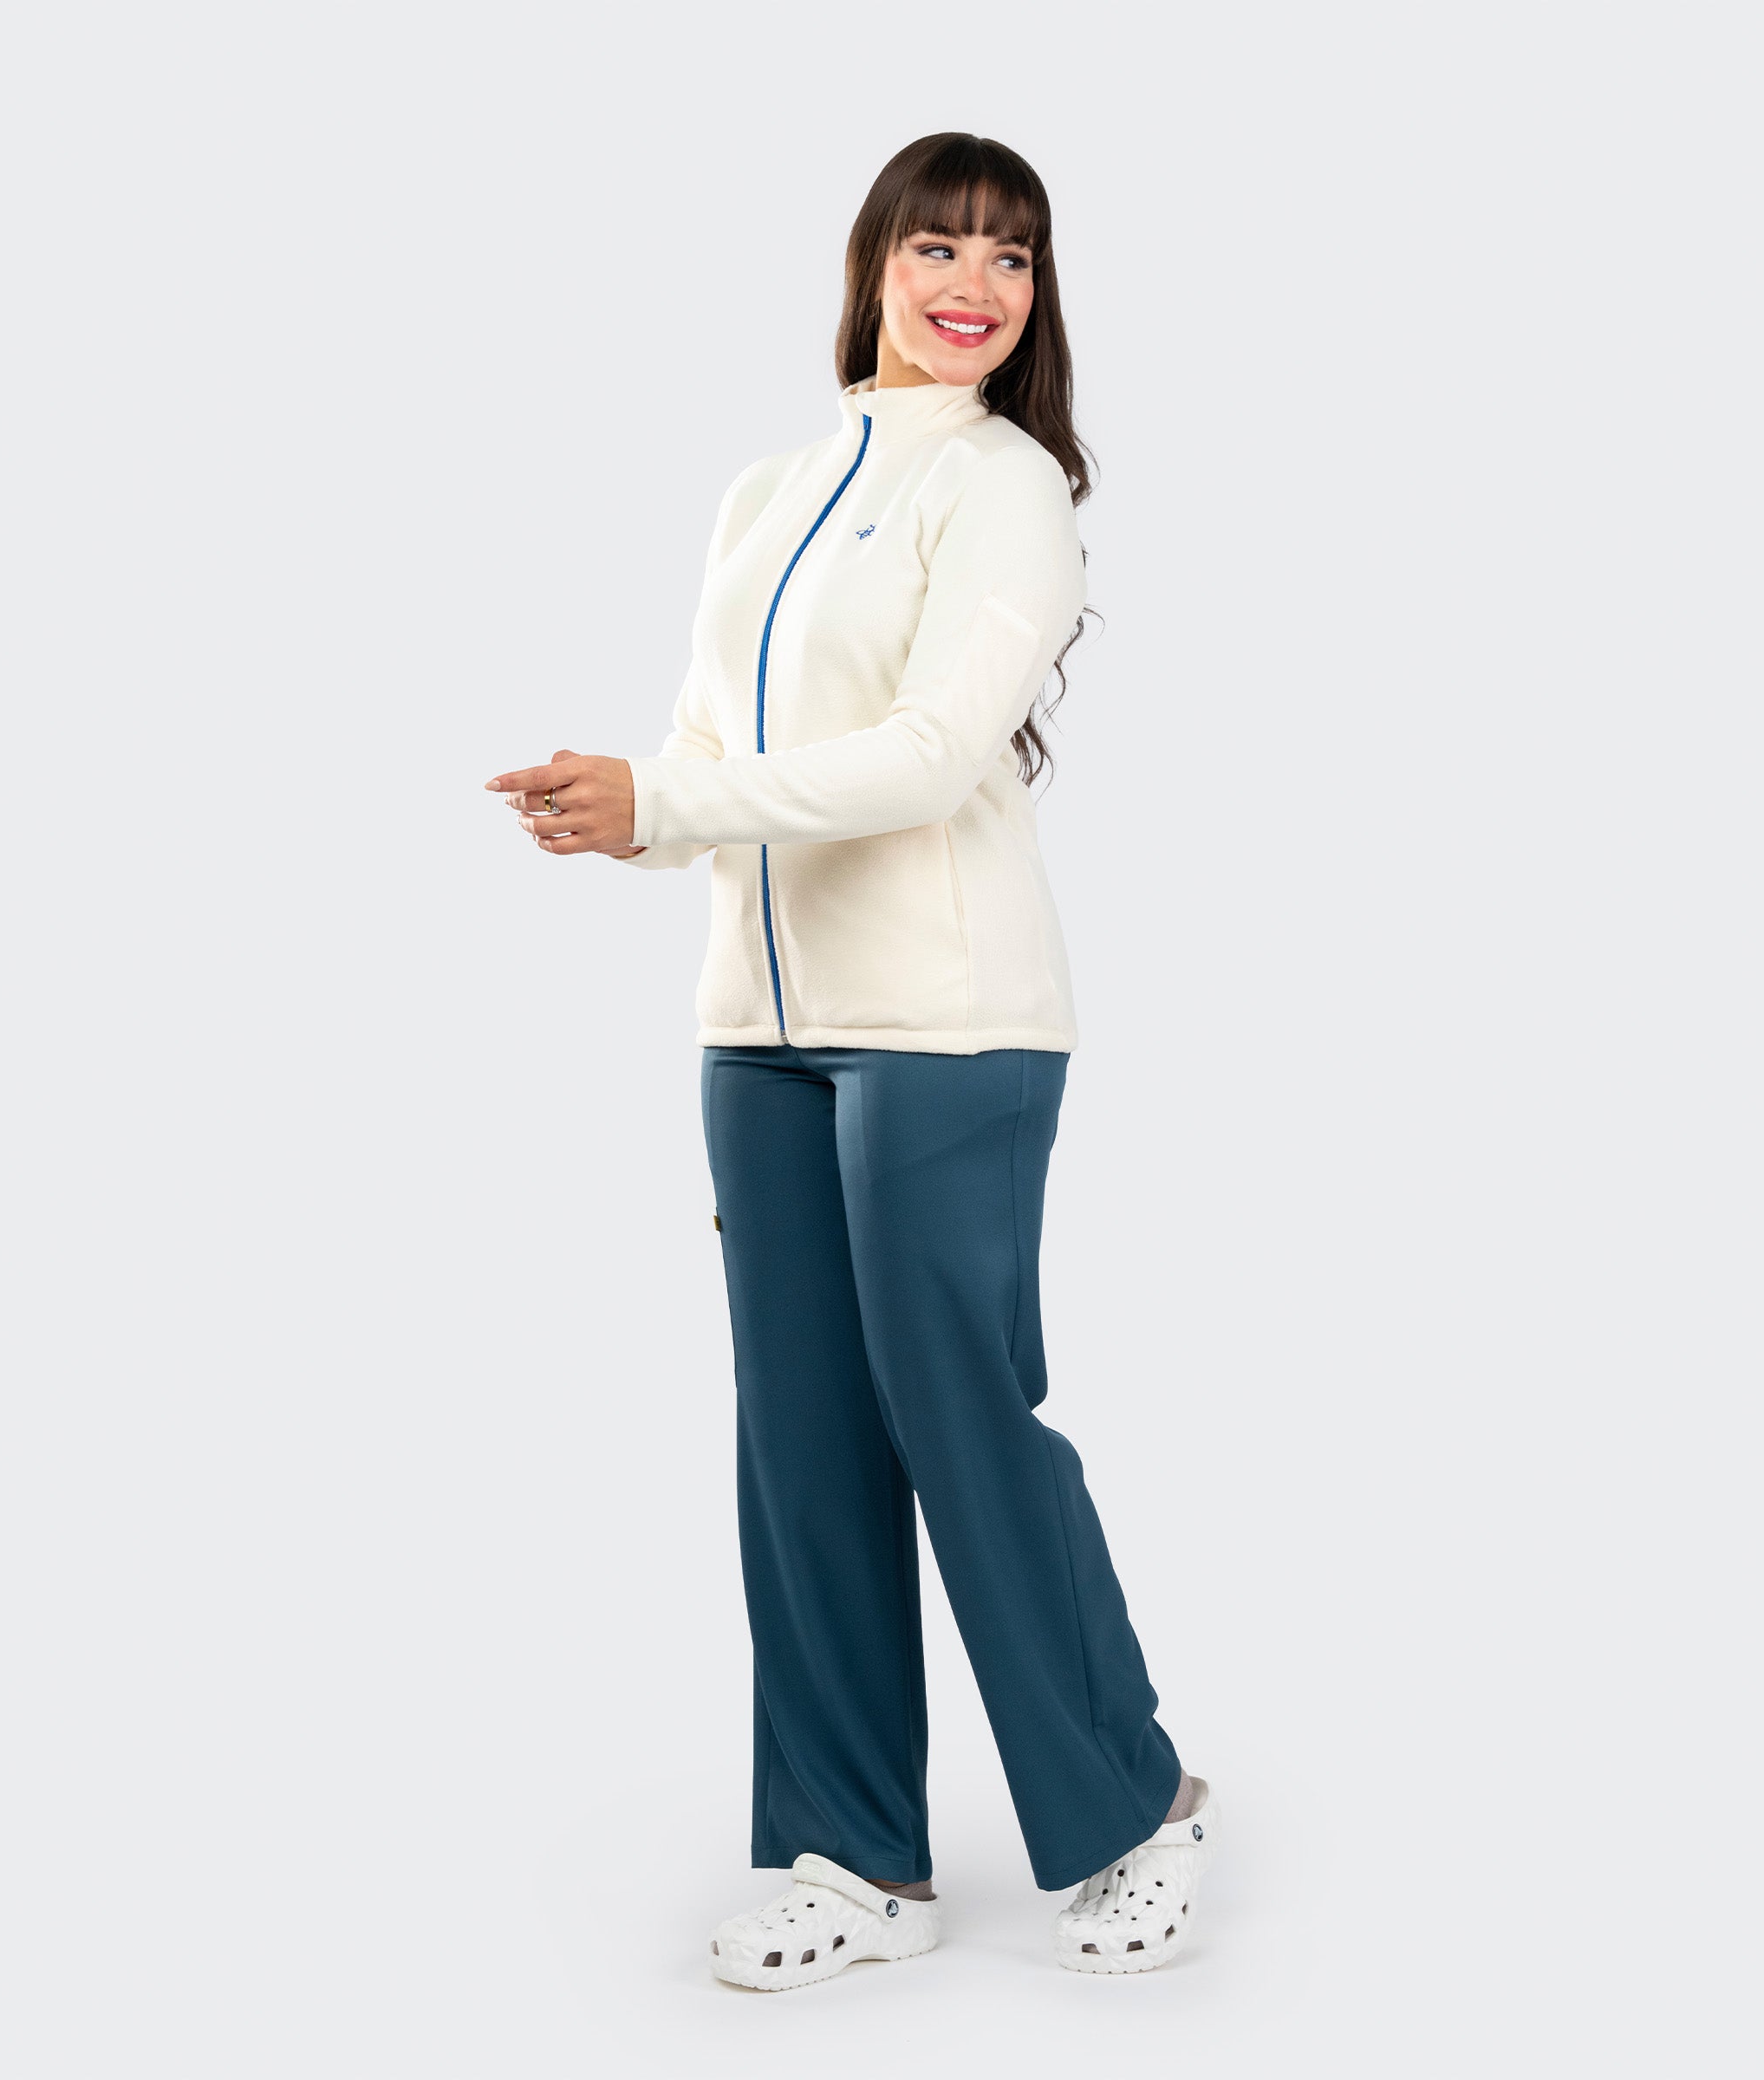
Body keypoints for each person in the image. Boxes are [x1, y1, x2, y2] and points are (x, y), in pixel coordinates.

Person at [485, 132, 1214, 1988]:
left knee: (961, 1421)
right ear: (874, 260)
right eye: (940, 246)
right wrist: (618, 810)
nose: (974, 285)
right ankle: (857, 1857)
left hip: (950, 1028)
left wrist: (672, 800)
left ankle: (1133, 1809)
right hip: (758, 1032)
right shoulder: (771, 489)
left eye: (1013, 258)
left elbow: (931, 757)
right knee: (799, 1446)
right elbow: (708, 750)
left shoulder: (1008, 489)